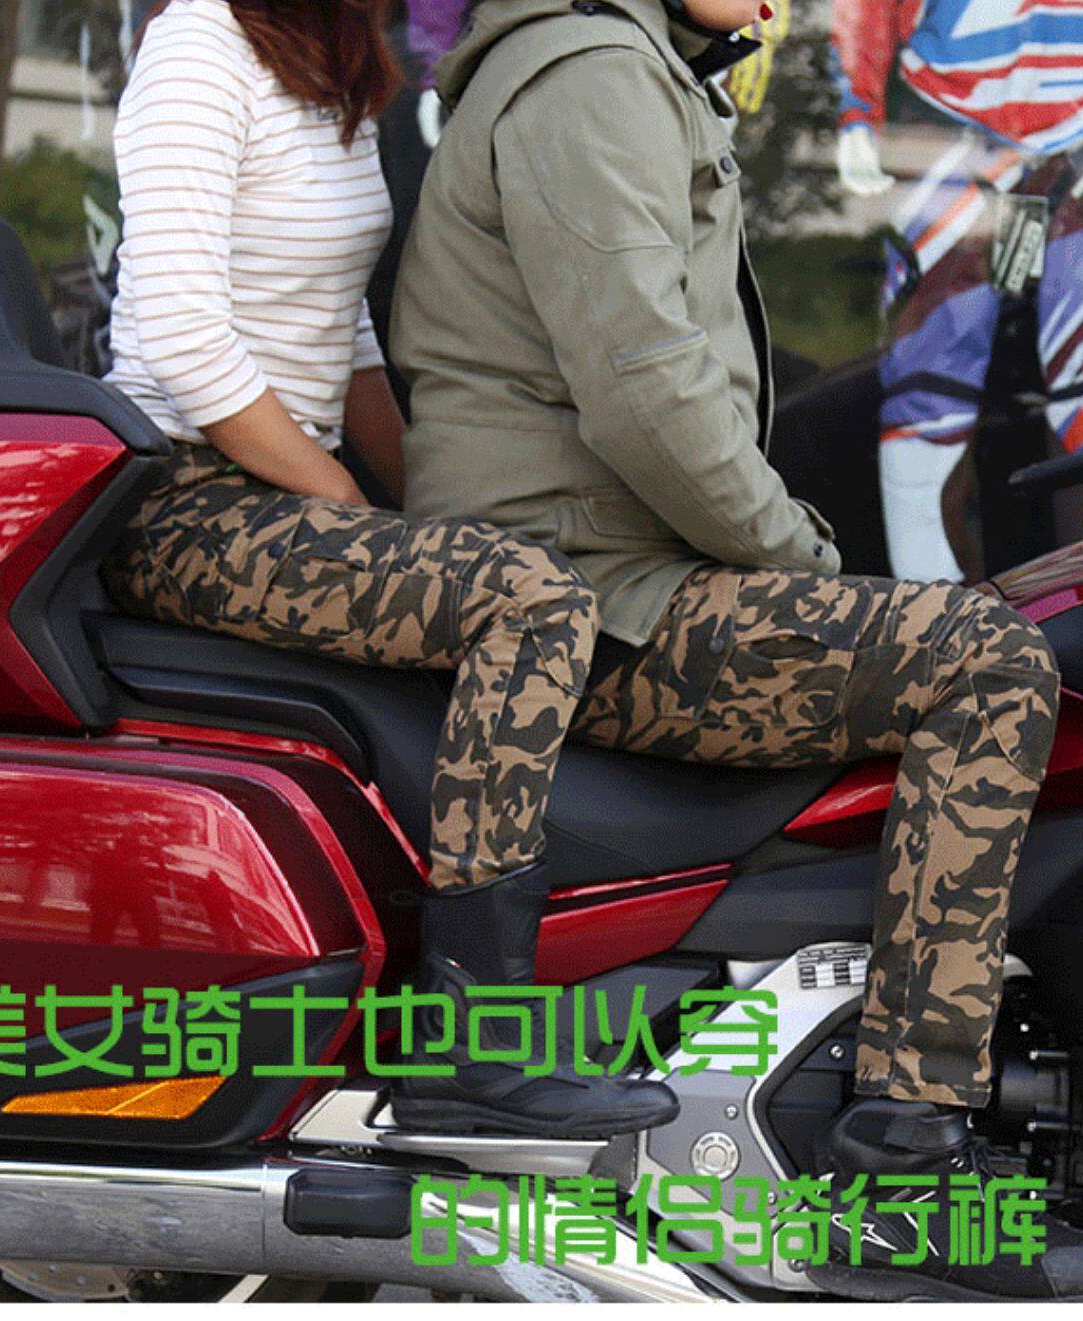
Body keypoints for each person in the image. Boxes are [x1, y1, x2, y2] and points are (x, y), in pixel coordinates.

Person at [391, 0, 1083, 1299]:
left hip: (609, 564)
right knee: (989, 661)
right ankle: (905, 1166)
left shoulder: (629, 66)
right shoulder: (590, 73)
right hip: (595, 596)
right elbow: (644, 384)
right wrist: (800, 557)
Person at [98, 0, 676, 1140]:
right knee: (529, 601)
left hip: (278, 489)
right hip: (182, 495)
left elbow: (346, 334)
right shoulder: (199, 45)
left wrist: (436, 503)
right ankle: (475, 1040)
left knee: (524, 567)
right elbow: (181, 333)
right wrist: (346, 501)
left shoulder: (333, 60)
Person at [831, 0, 1083, 583]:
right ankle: (934, 615)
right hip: (951, 129)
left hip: (1082, 137)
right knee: (932, 376)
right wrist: (857, 111)